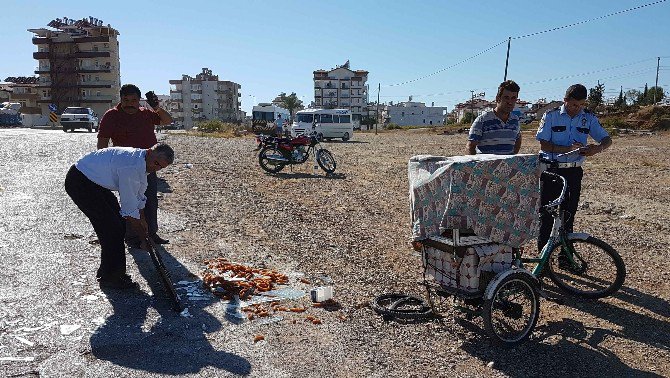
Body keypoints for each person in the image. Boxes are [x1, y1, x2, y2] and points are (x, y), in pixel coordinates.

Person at [64, 143, 175, 289]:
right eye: (156, 163)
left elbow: (138, 197)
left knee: (118, 224)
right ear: (149, 152)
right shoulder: (131, 167)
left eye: (160, 167)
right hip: (81, 181)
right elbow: (129, 208)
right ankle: (112, 277)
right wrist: (142, 236)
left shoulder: (143, 164)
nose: (156, 168)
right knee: (112, 228)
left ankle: (107, 269)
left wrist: (144, 223)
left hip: (95, 182)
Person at [536, 84, 612, 252]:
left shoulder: (588, 118)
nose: (577, 109)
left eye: (581, 105)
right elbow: (543, 143)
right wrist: (568, 149)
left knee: (569, 214)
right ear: (565, 100)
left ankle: (566, 256)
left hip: (574, 171)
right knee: (547, 215)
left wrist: (596, 149)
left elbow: (607, 139)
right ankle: (542, 257)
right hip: (552, 170)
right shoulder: (551, 116)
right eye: (574, 104)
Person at [97, 84, 173, 248]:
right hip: (125, 167)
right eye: (126, 100)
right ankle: (133, 238)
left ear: (139, 101)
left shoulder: (146, 113)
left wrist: (156, 107)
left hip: (148, 165)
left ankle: (151, 234)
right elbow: (102, 141)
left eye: (133, 100)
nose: (130, 103)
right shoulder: (111, 116)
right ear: (121, 99)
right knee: (130, 202)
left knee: (150, 200)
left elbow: (168, 120)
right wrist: (104, 166)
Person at [466, 80, 522, 155]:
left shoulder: (515, 120)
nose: (510, 102)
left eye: (513, 98)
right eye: (506, 97)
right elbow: (470, 146)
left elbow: (518, 139)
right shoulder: (482, 120)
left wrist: (512, 157)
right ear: (498, 98)